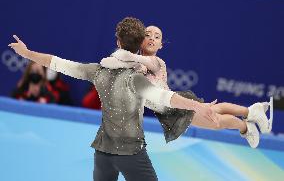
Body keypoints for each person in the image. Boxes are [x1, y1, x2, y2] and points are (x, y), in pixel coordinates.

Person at [9, 17, 219, 181]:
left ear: (117, 42)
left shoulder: (96, 71)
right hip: (131, 153)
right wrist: (196, 106)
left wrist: (27, 53)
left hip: (102, 152)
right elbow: (166, 98)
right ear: (140, 46)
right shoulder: (136, 80)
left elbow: (58, 63)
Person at [100, 25, 272, 148]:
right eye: (148, 34)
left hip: (176, 108)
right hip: (172, 107)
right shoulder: (134, 63)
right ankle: (251, 112)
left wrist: (125, 56)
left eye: (157, 36)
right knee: (216, 110)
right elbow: (109, 62)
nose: (152, 37)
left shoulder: (154, 62)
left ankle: (246, 127)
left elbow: (136, 62)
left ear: (161, 45)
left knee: (216, 122)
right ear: (140, 40)